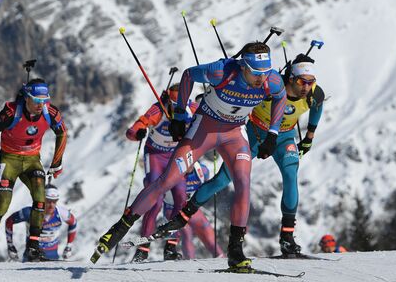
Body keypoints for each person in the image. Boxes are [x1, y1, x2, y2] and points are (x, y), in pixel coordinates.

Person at [94, 41, 286, 269]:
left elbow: (281, 97)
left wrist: (273, 133)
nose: (261, 79)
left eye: (264, 73)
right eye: (256, 73)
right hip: (204, 130)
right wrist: (178, 115)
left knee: (243, 183)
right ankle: (119, 228)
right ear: (243, 66)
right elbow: (187, 76)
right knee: (166, 181)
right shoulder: (220, 71)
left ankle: (235, 252)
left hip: (234, 134)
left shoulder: (271, 80)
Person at [156, 53, 324, 256]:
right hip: (254, 134)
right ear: (290, 78)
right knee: (222, 181)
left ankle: (287, 238)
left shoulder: (315, 94)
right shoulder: (272, 87)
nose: (306, 87)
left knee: (290, 176)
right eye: (301, 81)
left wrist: (309, 136)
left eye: (310, 82)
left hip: (283, 138)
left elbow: (317, 108)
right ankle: (182, 216)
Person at [0, 78, 68, 262]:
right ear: (27, 98)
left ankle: (33, 247)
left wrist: (56, 163)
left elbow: (62, 133)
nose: (41, 105)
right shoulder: (11, 112)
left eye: (44, 100)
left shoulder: (50, 112)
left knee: (40, 200)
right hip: (10, 160)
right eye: (37, 101)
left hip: (32, 161)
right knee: (3, 204)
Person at [126, 83, 198, 262]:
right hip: (156, 155)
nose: (177, 109)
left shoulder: (192, 108)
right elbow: (134, 129)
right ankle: (143, 249)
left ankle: (171, 246)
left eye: (180, 105)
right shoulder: (158, 109)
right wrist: (138, 133)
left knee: (181, 198)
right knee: (155, 201)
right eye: (174, 105)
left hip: (175, 156)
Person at [163, 161, 225, 259]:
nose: (188, 165)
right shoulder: (172, 172)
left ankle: (221, 259)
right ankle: (189, 263)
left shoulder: (202, 171)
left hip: (189, 208)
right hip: (172, 208)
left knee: (207, 230)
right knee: (187, 233)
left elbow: (206, 189)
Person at [5, 184, 77, 261]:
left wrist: (69, 246)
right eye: (48, 201)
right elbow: (9, 221)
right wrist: (10, 245)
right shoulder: (29, 212)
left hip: (53, 257)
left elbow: (73, 223)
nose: (51, 205)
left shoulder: (61, 212)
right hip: (31, 258)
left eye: (54, 201)